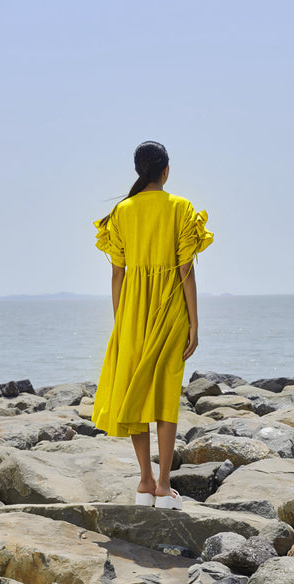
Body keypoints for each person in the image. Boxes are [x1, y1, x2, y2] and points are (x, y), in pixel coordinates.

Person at [92, 141, 214, 510]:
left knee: (136, 392)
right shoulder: (181, 208)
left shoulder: (121, 212)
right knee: (163, 393)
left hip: (131, 313)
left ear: (137, 170)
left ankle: (144, 481)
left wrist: (121, 320)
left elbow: (117, 272)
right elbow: (185, 271)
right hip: (170, 308)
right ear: (166, 170)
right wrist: (194, 322)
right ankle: (163, 486)